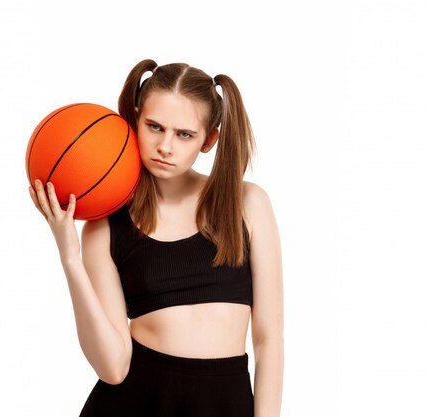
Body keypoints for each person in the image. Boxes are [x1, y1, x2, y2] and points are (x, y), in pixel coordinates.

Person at [28, 59, 284, 416]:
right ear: (135, 121)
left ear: (209, 139)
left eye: (184, 134)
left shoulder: (248, 204)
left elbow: (268, 339)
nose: (165, 145)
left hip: (225, 403)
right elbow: (113, 368)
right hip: (136, 402)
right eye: (154, 126)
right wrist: (70, 257)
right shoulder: (105, 226)